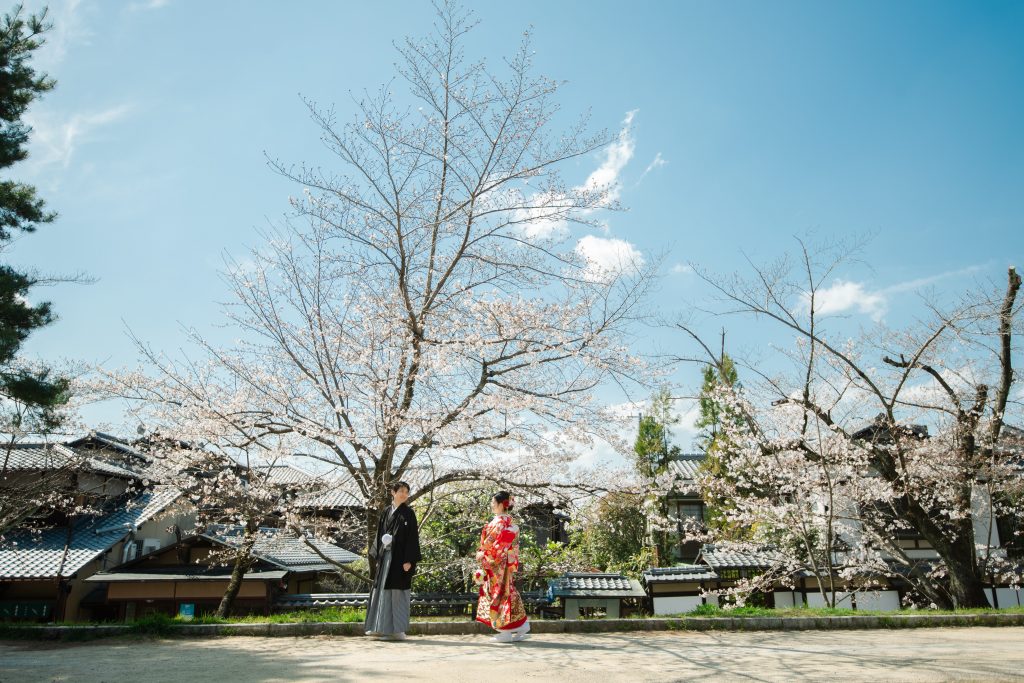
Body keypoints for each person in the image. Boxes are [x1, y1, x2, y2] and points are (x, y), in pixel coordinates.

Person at [365, 481, 421, 640]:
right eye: (401, 491)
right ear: (393, 492)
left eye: (406, 491)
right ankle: (379, 627)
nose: (404, 494)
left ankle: (397, 631)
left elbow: (412, 538)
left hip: (400, 559)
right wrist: (379, 554)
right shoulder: (386, 512)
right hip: (385, 557)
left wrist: (409, 559)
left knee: (397, 592)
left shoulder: (408, 513)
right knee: (381, 591)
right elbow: (378, 535)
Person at [475, 490, 530, 643]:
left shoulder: (498, 523)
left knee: (497, 594)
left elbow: (492, 545)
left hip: (496, 564)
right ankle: (522, 625)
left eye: (493, 502)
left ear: (501, 505)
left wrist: (483, 554)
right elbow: (509, 546)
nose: (492, 505)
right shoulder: (510, 524)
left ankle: (505, 631)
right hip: (505, 563)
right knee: (508, 591)